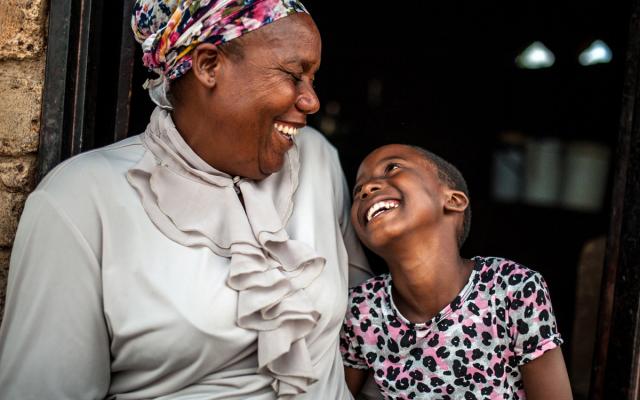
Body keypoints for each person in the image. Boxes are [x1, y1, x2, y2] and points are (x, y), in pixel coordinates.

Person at [0, 1, 374, 399]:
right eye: (294, 74)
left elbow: (361, 329)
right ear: (209, 64)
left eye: (312, 78)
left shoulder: (315, 161)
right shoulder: (82, 199)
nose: (311, 100)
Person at [340, 144, 573, 399]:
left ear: (453, 200)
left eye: (392, 168)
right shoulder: (361, 310)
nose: (366, 188)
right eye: (357, 189)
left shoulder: (512, 288)